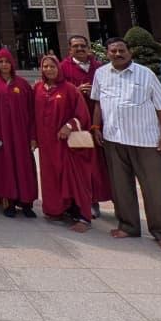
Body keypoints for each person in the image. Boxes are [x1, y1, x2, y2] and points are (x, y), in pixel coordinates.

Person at [92, 37, 161, 250]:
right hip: (114, 139)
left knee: (154, 188)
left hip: (145, 141)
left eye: (121, 50)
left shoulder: (145, 74)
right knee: (121, 187)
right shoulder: (101, 74)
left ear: (129, 52)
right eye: (113, 51)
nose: (117, 54)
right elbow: (98, 103)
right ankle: (128, 226)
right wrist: (96, 127)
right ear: (107, 53)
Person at [34, 54, 93, 232]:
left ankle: (82, 216)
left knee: (73, 178)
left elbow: (82, 114)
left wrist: (69, 126)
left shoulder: (69, 89)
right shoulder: (38, 88)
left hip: (66, 144)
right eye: (45, 67)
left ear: (59, 68)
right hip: (46, 145)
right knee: (51, 178)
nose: (49, 70)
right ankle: (57, 210)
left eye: (52, 66)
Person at [60, 34, 112, 216]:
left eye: (83, 46)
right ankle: (85, 200)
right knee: (83, 162)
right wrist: (75, 91)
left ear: (88, 48)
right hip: (78, 125)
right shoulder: (63, 68)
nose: (80, 49)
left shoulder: (100, 68)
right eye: (76, 46)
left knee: (102, 163)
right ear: (70, 49)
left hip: (100, 123)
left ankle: (99, 198)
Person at [0, 49, 38, 217]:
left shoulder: (22, 85)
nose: (4, 65)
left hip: (20, 135)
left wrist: (33, 136)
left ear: (12, 64)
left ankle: (26, 202)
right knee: (4, 167)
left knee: (24, 167)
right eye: (0, 62)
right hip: (0, 133)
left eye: (7, 62)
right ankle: (8, 202)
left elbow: (31, 112)